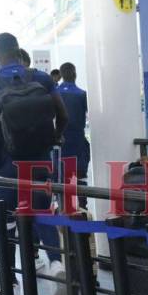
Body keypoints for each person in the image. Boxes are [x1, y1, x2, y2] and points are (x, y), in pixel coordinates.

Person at [0, 32, 69, 295]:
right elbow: (63, 115)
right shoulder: (40, 78)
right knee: (41, 211)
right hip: (39, 161)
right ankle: (55, 264)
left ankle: (11, 282)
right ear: (19, 51)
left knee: (6, 224)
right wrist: (54, 137)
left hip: (7, 167)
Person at [57, 62, 90, 209]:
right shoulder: (82, 94)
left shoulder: (55, 93)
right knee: (81, 176)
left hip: (60, 141)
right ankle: (83, 207)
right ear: (75, 74)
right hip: (77, 141)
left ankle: (64, 209)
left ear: (61, 75)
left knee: (62, 177)